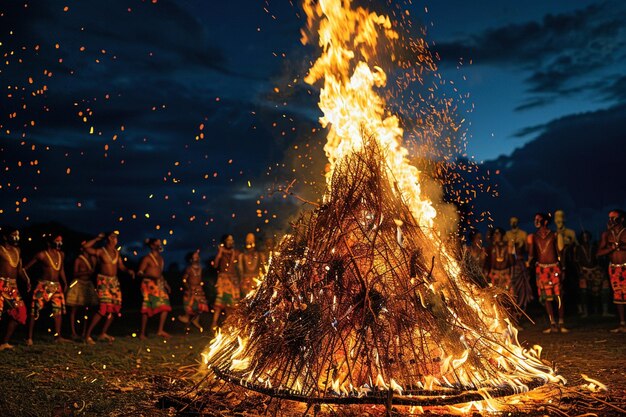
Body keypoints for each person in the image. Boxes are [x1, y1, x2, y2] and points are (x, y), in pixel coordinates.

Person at [82, 231, 135, 344]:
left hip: (114, 282)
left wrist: (128, 270)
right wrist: (97, 239)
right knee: (103, 309)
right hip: (103, 281)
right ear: (107, 239)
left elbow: (120, 266)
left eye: (116, 237)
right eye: (112, 237)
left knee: (114, 309)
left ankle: (102, 334)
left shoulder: (116, 252)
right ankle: (87, 335)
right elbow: (85, 248)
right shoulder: (101, 251)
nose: (115, 239)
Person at [24, 234, 69, 345]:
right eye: (57, 241)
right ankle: (29, 338)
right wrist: (27, 280)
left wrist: (65, 282)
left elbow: (61, 269)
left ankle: (58, 337)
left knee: (57, 312)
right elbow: (25, 268)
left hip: (57, 286)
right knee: (35, 311)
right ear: (49, 242)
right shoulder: (42, 255)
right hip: (43, 286)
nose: (59, 243)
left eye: (61, 241)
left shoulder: (61, 255)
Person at [528, 213, 569, 333]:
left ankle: (561, 323)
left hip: (554, 268)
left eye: (538, 219)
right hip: (541, 269)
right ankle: (552, 324)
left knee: (558, 296)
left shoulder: (555, 235)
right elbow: (531, 254)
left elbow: (560, 253)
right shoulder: (533, 237)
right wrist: (527, 262)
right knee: (547, 298)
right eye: (535, 219)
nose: (536, 221)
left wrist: (563, 268)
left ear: (545, 222)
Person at [0, 228, 29, 350]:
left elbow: (19, 269)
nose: (16, 237)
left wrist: (27, 279)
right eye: (13, 235)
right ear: (6, 237)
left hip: (13, 287)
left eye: (18, 235)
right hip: (0, 285)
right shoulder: (0, 249)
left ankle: (4, 342)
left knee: (20, 312)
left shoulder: (18, 250)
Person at [597, 209, 626, 332]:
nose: (611, 220)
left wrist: (621, 246)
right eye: (609, 218)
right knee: (618, 296)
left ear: (622, 219)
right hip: (614, 268)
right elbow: (598, 253)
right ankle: (622, 324)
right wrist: (612, 248)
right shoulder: (606, 235)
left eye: (614, 218)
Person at [137, 238, 171, 339]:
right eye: (157, 243)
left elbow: (160, 274)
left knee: (165, 304)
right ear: (152, 246)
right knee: (147, 308)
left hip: (159, 284)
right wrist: (150, 276)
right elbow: (139, 273)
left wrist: (165, 284)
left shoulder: (161, 259)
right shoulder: (147, 258)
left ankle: (160, 330)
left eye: (160, 243)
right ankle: (142, 333)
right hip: (148, 284)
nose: (159, 245)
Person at [66, 245, 99, 340]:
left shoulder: (92, 259)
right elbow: (75, 273)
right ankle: (73, 332)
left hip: (88, 284)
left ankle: (84, 332)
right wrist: (87, 272)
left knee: (87, 310)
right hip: (78, 284)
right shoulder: (78, 260)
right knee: (74, 310)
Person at [575, 231, 611, 317]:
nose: (585, 238)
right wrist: (580, 271)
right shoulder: (578, 248)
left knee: (604, 288)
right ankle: (585, 312)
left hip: (595, 270)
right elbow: (576, 261)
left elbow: (598, 257)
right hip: (584, 271)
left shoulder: (594, 247)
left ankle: (605, 311)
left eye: (587, 236)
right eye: (584, 236)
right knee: (583, 291)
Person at [211, 234, 239, 330]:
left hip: (232, 280)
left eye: (232, 240)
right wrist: (219, 254)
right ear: (224, 241)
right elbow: (215, 266)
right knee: (219, 304)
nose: (230, 242)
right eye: (228, 240)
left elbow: (234, 266)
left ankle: (229, 325)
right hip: (223, 280)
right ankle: (214, 324)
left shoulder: (235, 252)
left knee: (231, 305)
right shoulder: (221, 252)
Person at [504, 217, 533, 310]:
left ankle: (523, 305)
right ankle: (514, 306)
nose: (513, 223)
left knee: (523, 285)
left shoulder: (523, 234)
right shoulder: (507, 235)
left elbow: (527, 249)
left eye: (515, 222)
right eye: (512, 222)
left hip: (520, 262)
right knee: (512, 284)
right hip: (511, 264)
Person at [178, 250, 208, 331]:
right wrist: (188, 288)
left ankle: (195, 321)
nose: (197, 258)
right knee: (190, 307)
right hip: (191, 289)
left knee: (200, 307)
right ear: (191, 259)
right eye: (195, 257)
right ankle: (187, 326)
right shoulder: (189, 268)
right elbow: (184, 279)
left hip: (199, 289)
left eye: (198, 256)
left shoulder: (200, 268)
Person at [238, 233, 266, 298]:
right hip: (245, 284)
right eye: (248, 242)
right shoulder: (241, 256)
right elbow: (240, 272)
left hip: (257, 282)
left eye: (251, 242)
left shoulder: (260, 255)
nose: (250, 245)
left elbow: (264, 270)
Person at [488, 228, 513, 296]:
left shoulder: (508, 245)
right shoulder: (492, 246)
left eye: (497, 233)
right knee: (495, 294)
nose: (495, 235)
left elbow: (511, 260)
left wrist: (511, 273)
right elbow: (491, 260)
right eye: (494, 234)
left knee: (507, 293)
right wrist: (490, 271)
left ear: (502, 235)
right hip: (495, 273)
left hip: (505, 272)